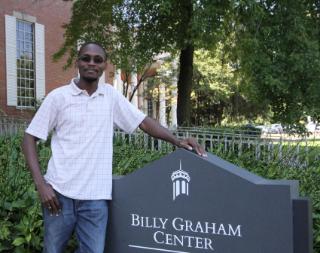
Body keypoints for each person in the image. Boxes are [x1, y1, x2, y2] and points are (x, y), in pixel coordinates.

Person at [22, 42, 206, 253]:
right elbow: (29, 138)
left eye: (98, 60)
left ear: (105, 65)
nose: (91, 63)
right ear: (77, 62)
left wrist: (177, 141)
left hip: (95, 199)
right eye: (86, 58)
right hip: (59, 195)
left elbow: (143, 122)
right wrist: (41, 185)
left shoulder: (110, 96)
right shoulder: (58, 97)